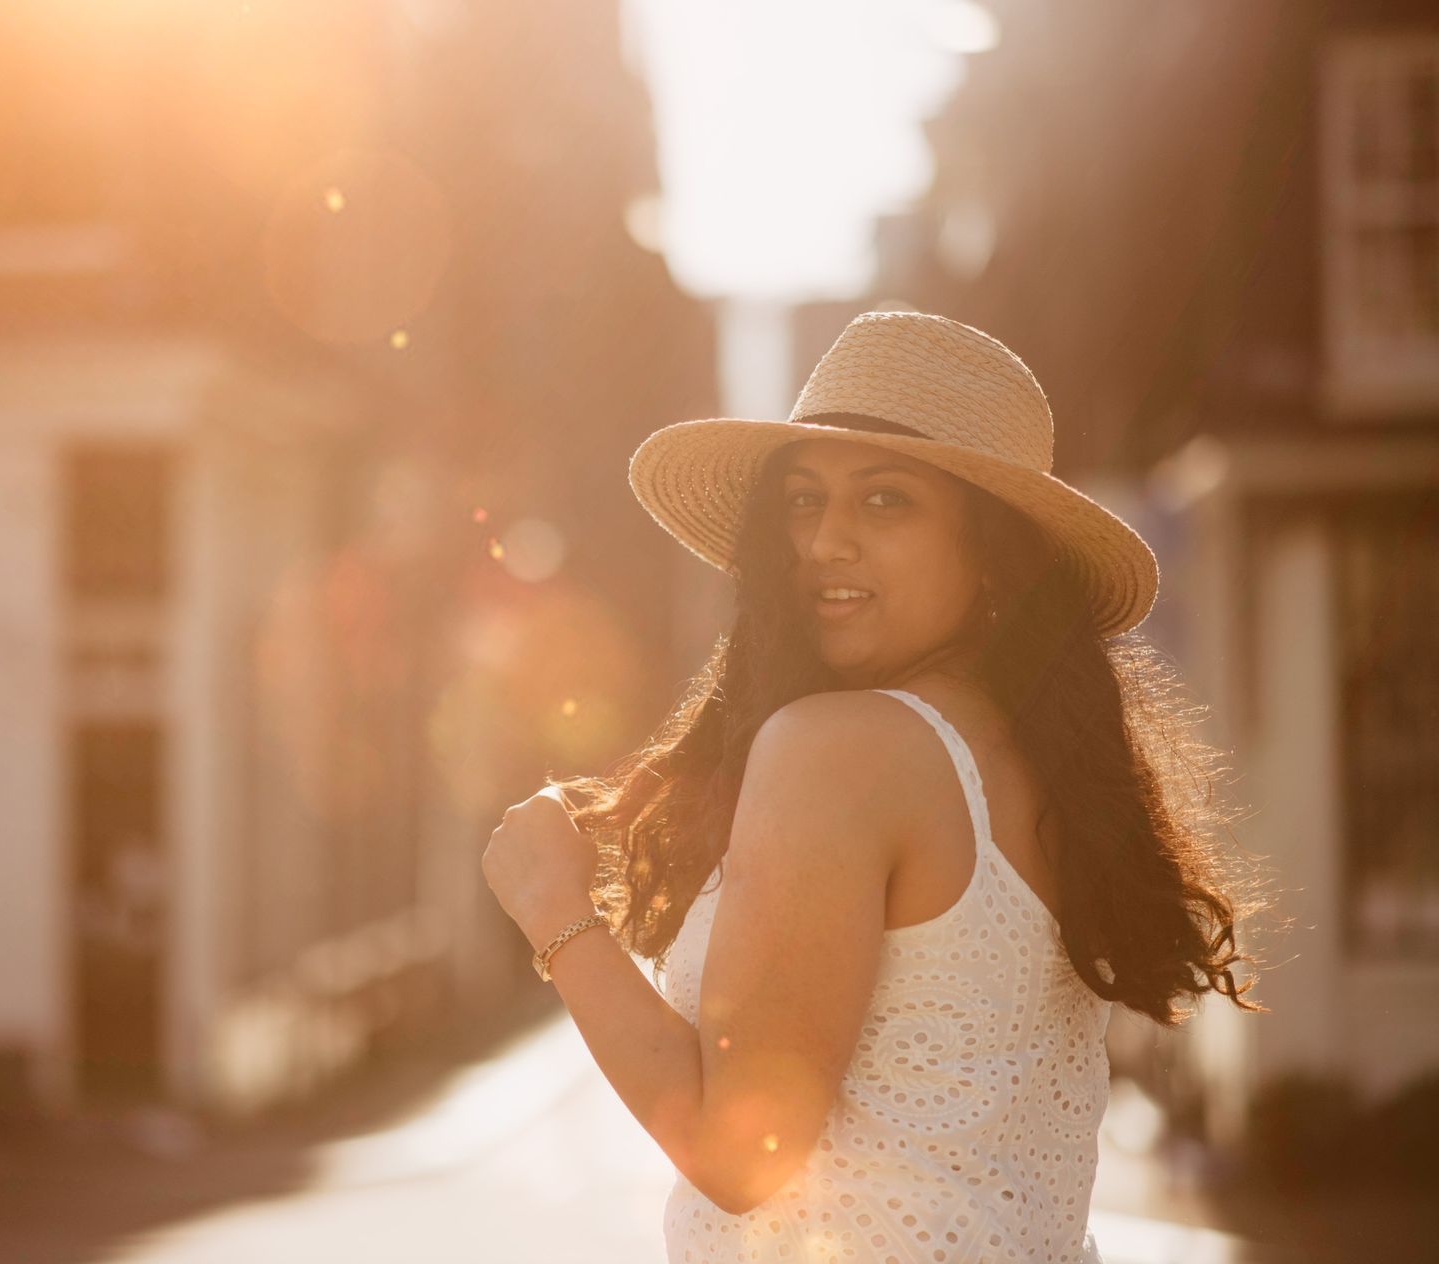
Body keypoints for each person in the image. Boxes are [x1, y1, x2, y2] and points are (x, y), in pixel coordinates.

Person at [481, 310, 1273, 1262]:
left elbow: (743, 1158)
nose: (823, 542)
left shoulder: (842, 751)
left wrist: (554, 910)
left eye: (886, 502)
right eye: (805, 500)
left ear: (992, 550)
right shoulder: (1037, 759)